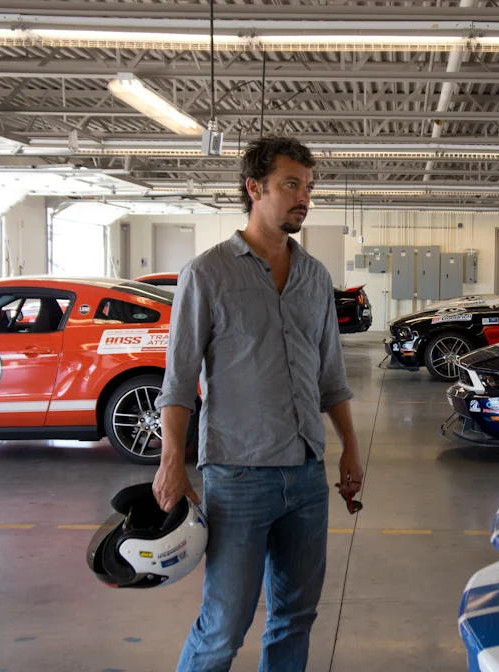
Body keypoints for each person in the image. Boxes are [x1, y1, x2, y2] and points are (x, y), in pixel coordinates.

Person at [153, 135, 364, 672]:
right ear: (254, 188)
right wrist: (171, 461)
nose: (304, 198)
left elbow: (331, 377)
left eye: (309, 187)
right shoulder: (207, 274)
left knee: (295, 615)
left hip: (307, 477)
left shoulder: (315, 277)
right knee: (224, 624)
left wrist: (350, 450)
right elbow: (178, 382)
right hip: (238, 478)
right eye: (291, 185)